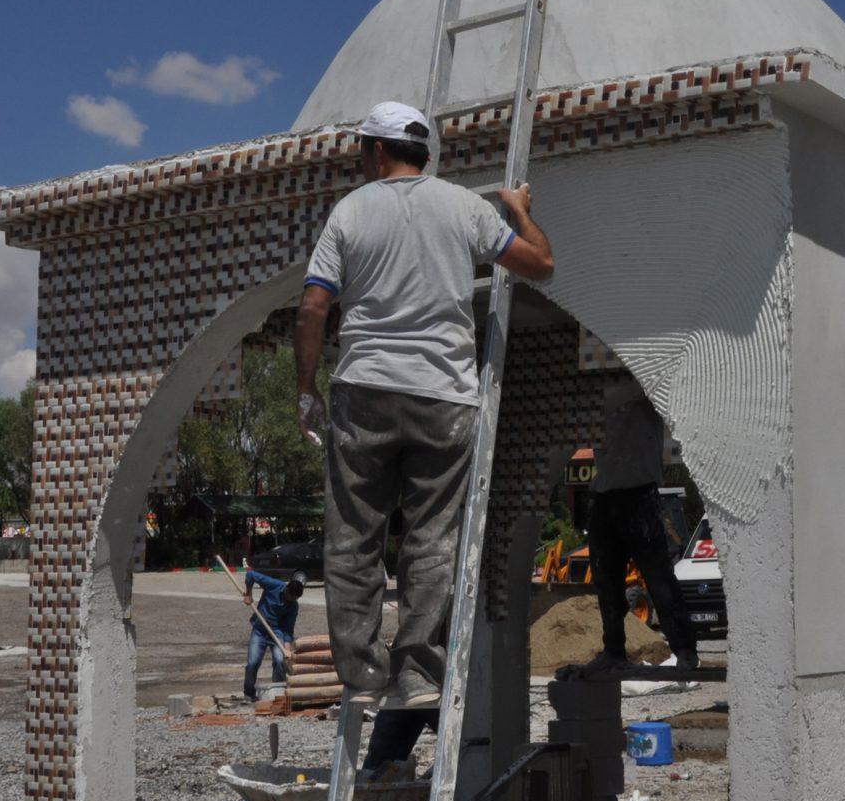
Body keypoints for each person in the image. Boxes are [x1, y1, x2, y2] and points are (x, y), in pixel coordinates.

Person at [294, 101, 555, 709]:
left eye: (363, 149)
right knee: (432, 539)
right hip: (444, 394)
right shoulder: (464, 206)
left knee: (354, 537)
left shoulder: (350, 211)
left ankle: (361, 676)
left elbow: (313, 308)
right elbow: (540, 264)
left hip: (364, 393)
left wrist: (306, 388)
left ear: (379, 151)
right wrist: (518, 212)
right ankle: (416, 675)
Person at [578, 376, 700, 676]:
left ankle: (684, 649)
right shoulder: (598, 391)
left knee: (659, 577)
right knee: (607, 583)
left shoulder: (645, 382)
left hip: (639, 492)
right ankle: (614, 650)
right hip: (605, 495)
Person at [241, 567, 303, 701]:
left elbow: (288, 629)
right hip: (260, 629)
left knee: (280, 660)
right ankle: (249, 693)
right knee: (253, 662)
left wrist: (287, 648)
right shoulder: (274, 585)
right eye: (291, 597)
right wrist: (249, 594)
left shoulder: (293, 606)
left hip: (277, 632)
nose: (291, 601)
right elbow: (250, 574)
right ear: (287, 590)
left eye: (295, 599)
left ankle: (278, 693)